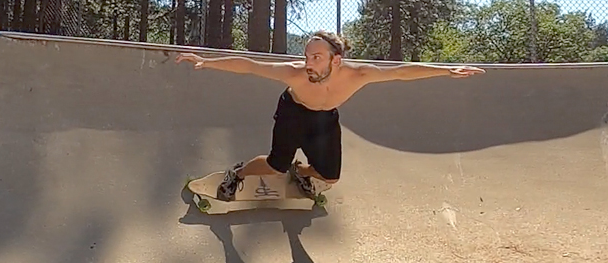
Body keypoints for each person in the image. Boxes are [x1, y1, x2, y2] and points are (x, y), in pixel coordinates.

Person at [176, 31, 485, 201]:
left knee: (331, 177)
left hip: (325, 121)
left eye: (316, 57)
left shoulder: (360, 74)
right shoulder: (295, 75)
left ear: (336, 61)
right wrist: (207, 62)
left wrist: (446, 70)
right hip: (293, 114)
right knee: (273, 166)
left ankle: (303, 173)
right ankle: (237, 174)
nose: (308, 63)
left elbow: (402, 73)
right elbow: (250, 66)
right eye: (307, 56)